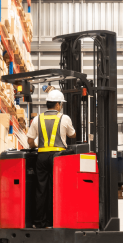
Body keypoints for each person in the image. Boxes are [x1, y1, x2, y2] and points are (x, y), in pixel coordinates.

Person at [26, 89, 76, 229]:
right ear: (58, 105)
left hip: (41, 157)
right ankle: (55, 221)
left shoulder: (37, 119)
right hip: (58, 158)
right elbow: (72, 134)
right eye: (61, 104)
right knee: (57, 189)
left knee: (41, 189)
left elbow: (30, 141)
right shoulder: (64, 118)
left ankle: (40, 222)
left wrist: (35, 146)